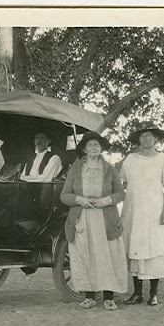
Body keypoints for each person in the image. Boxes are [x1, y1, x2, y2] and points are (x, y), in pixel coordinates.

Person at [60, 131, 127, 310]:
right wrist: (79, 200)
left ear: (101, 148)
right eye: (90, 145)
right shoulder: (76, 169)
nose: (94, 147)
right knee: (86, 255)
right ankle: (89, 297)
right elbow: (64, 195)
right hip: (82, 218)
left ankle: (108, 297)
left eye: (97, 145)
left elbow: (121, 193)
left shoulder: (109, 169)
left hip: (105, 219)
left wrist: (107, 200)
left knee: (107, 256)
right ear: (84, 149)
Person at [120, 122, 164, 306]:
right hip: (134, 212)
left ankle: (153, 294)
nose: (145, 138)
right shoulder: (130, 160)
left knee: (154, 250)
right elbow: (122, 183)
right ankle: (137, 293)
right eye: (142, 136)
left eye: (149, 135)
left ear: (156, 139)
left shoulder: (162, 159)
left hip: (153, 212)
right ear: (138, 139)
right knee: (135, 249)